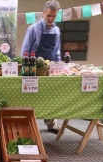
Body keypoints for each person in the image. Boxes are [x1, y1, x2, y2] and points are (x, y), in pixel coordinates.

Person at [21, 0, 61, 134]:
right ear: (43, 13)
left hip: (50, 67)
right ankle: (27, 122)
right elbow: (25, 49)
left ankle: (51, 124)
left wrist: (59, 65)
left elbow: (57, 50)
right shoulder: (33, 28)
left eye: (53, 16)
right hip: (34, 67)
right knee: (31, 94)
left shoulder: (57, 30)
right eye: (48, 15)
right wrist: (24, 65)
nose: (50, 19)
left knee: (51, 95)